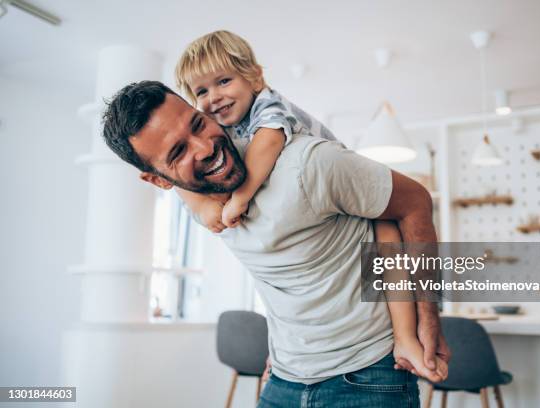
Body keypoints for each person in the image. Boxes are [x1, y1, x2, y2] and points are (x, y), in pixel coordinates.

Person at [102, 80, 450, 407]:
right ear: (159, 181)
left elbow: (416, 201)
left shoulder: (309, 164)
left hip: (370, 376)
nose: (206, 147)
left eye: (197, 124)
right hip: (283, 380)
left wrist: (428, 318)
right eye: (178, 152)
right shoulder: (198, 201)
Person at [173, 30, 447, 382]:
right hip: (297, 356)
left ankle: (406, 339)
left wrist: (239, 199)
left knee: (388, 250)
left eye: (223, 81)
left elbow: (269, 143)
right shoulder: (223, 131)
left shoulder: (267, 104)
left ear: (254, 76)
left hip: (361, 203)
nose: (214, 97)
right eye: (202, 91)